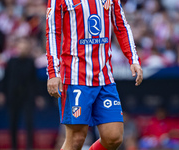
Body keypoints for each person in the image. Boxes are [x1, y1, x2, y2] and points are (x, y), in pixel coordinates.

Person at [46, 0, 143, 150]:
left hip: (105, 77)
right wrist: (53, 72)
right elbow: (53, 32)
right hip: (75, 77)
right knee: (77, 138)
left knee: (114, 137)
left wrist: (133, 59)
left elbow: (121, 25)